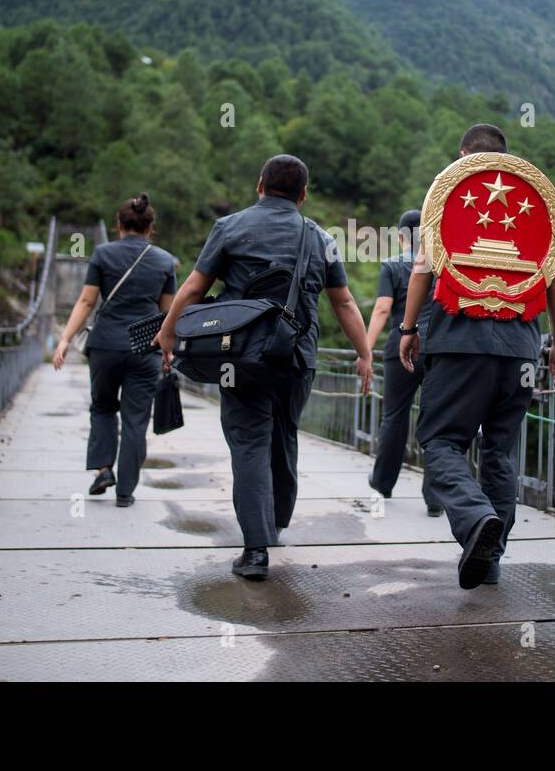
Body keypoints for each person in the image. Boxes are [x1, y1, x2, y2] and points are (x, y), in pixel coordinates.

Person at [154, 155, 374, 580]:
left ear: (260, 185)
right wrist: (364, 354)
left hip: (240, 357)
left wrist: (168, 333)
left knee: (249, 441)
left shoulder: (230, 227)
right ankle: (277, 521)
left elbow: (195, 288)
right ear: (303, 195)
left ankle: (256, 550)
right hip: (296, 358)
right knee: (284, 432)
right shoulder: (320, 238)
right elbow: (344, 302)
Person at [398, 124, 555, 589]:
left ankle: (476, 520)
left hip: (458, 344)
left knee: (440, 442)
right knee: (499, 452)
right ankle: (491, 557)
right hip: (520, 350)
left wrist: (408, 328)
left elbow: (422, 270)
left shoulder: (451, 192)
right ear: (505, 155)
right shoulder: (533, 198)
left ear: (462, 155)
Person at [53, 195, 177, 508]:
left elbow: (86, 302)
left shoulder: (103, 254)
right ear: (151, 228)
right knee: (136, 419)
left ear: (119, 225)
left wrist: (65, 340)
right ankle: (126, 492)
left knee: (103, 408)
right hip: (144, 347)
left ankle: (104, 470)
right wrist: (168, 352)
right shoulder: (164, 261)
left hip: (106, 345)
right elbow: (167, 314)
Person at [364, 209, 441, 516]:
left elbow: (382, 310)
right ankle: (435, 498)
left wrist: (365, 350)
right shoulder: (439, 264)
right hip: (437, 347)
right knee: (437, 419)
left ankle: (383, 483)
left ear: (400, 236)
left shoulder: (393, 266)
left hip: (401, 346)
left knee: (394, 415)